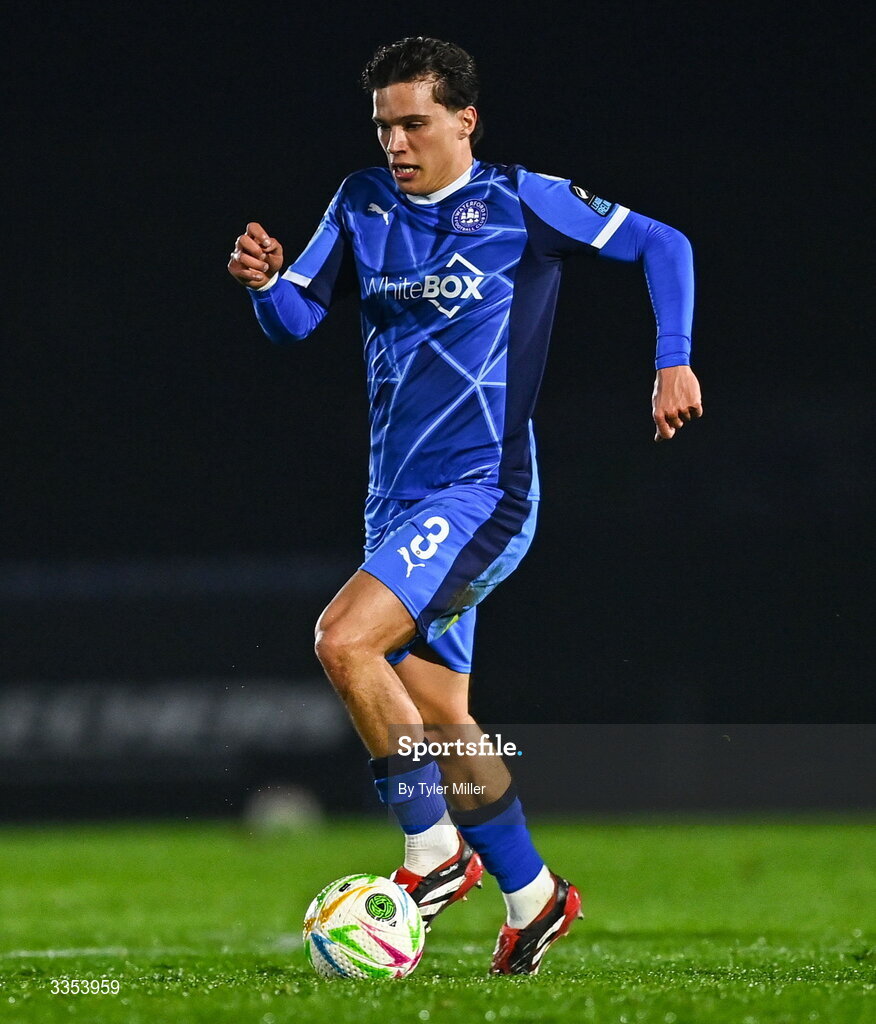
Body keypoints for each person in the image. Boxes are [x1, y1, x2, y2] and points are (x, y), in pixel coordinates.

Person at [228, 36, 702, 975]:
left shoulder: (524, 200)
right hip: (395, 500)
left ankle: (432, 848)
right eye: (383, 126)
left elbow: (665, 243)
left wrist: (673, 359)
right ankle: (535, 898)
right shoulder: (361, 202)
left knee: (344, 641)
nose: (395, 143)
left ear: (464, 121)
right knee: (442, 714)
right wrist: (265, 285)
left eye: (414, 124)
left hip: (482, 492)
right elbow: (297, 320)